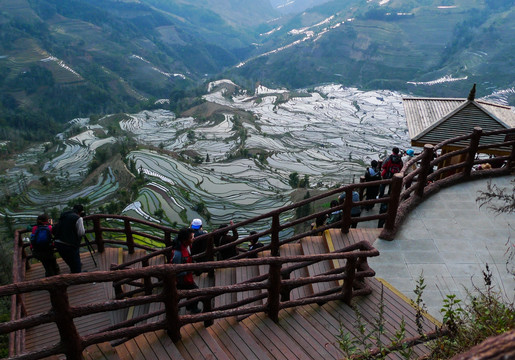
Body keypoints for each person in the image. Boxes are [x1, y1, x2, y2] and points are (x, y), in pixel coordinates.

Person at [171, 227, 201, 313]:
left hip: (185, 277)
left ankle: (181, 306)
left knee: (178, 293)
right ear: (185, 240)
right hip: (183, 278)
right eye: (191, 237)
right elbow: (175, 270)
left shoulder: (185, 246)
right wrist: (189, 270)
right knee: (195, 291)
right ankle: (192, 308)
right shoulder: (178, 254)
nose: (193, 238)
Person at [53, 204, 86, 273]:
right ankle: (78, 277)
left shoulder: (64, 215)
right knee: (76, 266)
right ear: (80, 212)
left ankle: (75, 273)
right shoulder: (78, 218)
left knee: (70, 263)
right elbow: (81, 233)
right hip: (70, 245)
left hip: (58, 243)